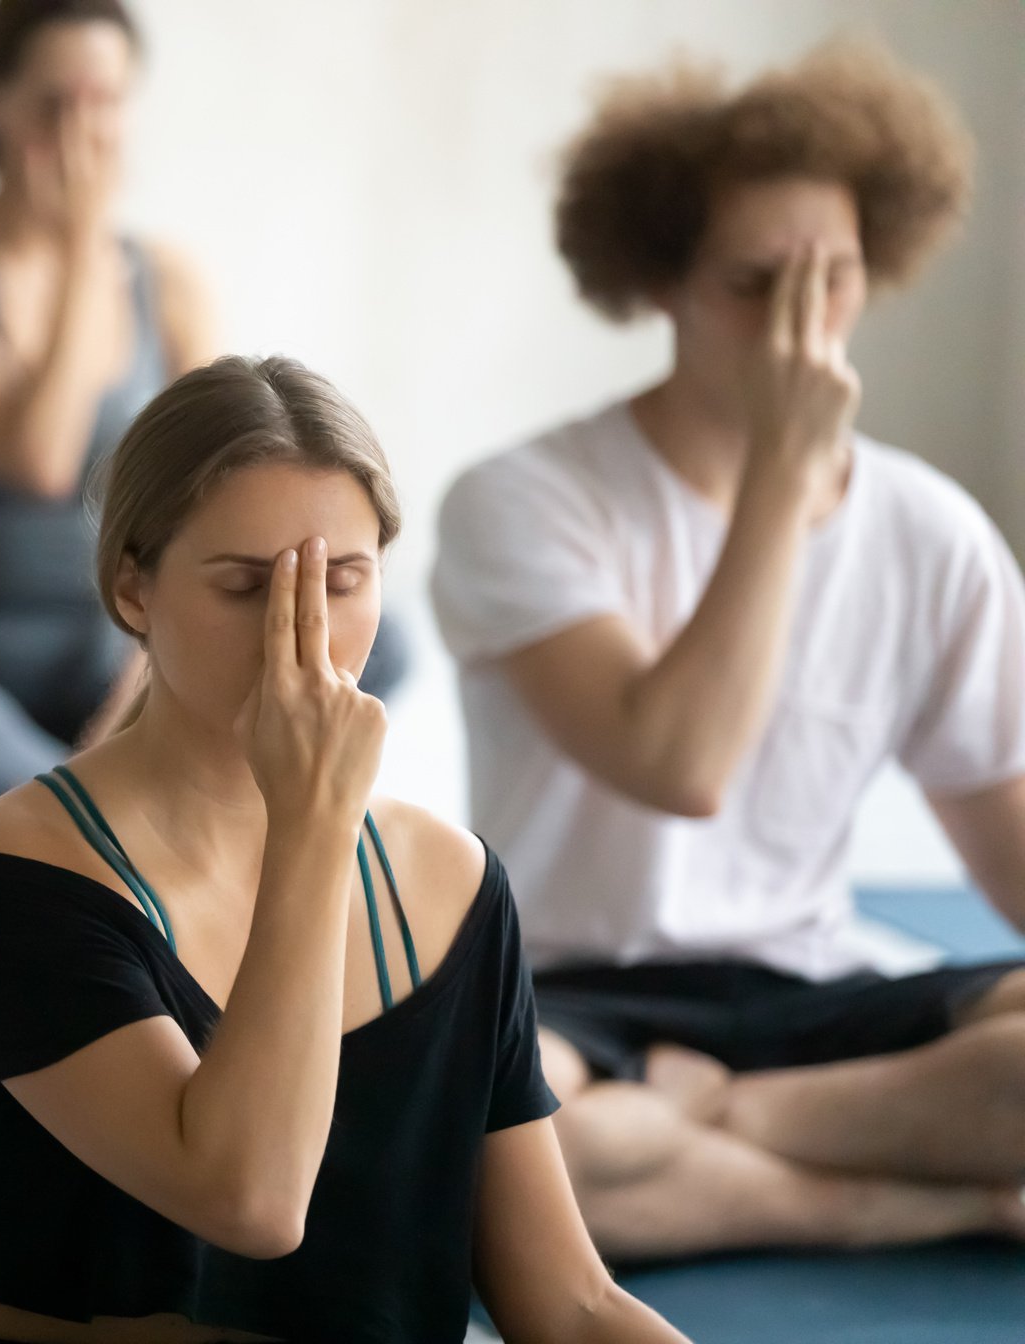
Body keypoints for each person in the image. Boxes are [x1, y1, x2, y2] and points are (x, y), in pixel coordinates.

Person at [0, 356, 685, 1342]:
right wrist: (313, 826)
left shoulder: (451, 884)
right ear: (134, 590)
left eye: (341, 582)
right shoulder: (15, 877)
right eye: (245, 586)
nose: (297, 634)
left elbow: (568, 1306)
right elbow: (250, 1201)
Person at [431, 40, 1025, 1259]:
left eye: (837, 281)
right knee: (502, 1155)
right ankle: (941, 1201)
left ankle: (724, 1130)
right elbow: (679, 763)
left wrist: (715, 1103)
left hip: (807, 991)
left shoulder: (931, 532)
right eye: (756, 283)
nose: (801, 329)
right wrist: (783, 480)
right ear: (663, 283)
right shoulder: (521, 501)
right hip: (566, 990)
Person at [0, 0, 406, 842]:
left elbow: (216, 506)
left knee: (373, 624)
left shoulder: (167, 280)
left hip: (118, 646)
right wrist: (83, 243)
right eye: (55, 103)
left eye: (106, 101)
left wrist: (135, 696)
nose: (83, 130)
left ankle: (27, 801)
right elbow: (42, 460)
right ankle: (94, 801)